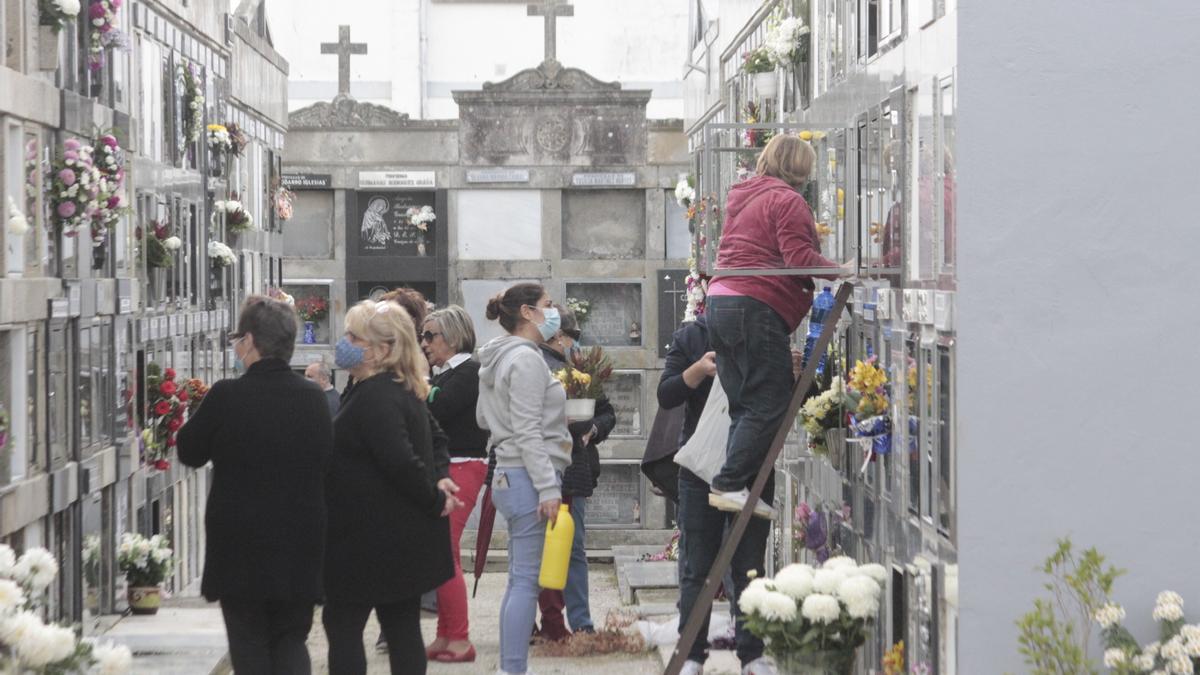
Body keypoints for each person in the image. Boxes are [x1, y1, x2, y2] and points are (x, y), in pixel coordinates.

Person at [177, 295, 332, 675]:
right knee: (291, 640)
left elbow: (189, 450)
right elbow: (325, 460)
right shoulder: (313, 398)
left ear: (248, 341)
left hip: (240, 545)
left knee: (248, 645)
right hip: (300, 539)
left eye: (237, 339)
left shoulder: (227, 396)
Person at [705, 133, 846, 518]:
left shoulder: (745, 197)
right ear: (799, 167)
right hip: (755, 305)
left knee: (744, 404)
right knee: (771, 399)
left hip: (721, 301)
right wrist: (843, 270)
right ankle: (730, 483)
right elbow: (799, 257)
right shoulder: (787, 200)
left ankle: (737, 486)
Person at [322, 300, 455, 675]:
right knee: (400, 626)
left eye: (353, 336)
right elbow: (436, 438)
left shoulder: (376, 396)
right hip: (395, 537)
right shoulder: (390, 387)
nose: (344, 342)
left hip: (370, 540)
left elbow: (399, 461)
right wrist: (441, 475)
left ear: (381, 350)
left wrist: (435, 496)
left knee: (344, 624)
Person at [659, 312, 782, 675]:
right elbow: (666, 394)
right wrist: (697, 370)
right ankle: (692, 654)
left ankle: (752, 654)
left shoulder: (766, 332)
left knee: (749, 565)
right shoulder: (693, 336)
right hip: (701, 470)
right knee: (697, 567)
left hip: (753, 469)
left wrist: (791, 369)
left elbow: (795, 394)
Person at [476, 283, 572, 675]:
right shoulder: (527, 360)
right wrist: (548, 488)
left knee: (519, 580)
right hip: (530, 478)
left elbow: (484, 418)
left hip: (508, 475)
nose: (555, 313)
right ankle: (513, 669)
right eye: (549, 306)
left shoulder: (496, 357)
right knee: (525, 584)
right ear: (529, 312)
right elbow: (529, 431)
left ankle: (510, 667)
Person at [537, 304, 614, 635]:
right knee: (557, 549)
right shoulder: (541, 367)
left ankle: (577, 622)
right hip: (550, 467)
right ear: (557, 336)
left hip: (574, 469)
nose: (574, 345)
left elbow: (608, 413)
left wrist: (592, 429)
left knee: (571, 548)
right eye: (571, 338)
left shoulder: (580, 372)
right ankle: (563, 623)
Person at [420, 305, 489, 663]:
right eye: (422, 336)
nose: (424, 343)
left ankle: (459, 638)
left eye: (430, 335)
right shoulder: (444, 373)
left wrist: (422, 387)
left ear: (453, 335)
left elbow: (437, 410)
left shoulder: (469, 371)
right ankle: (444, 635)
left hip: (464, 464)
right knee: (440, 554)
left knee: (446, 554)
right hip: (449, 466)